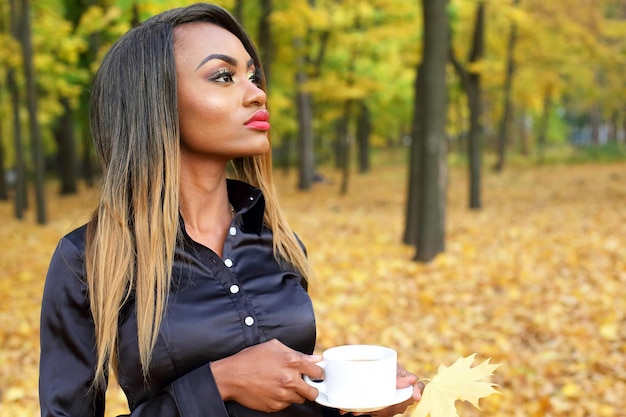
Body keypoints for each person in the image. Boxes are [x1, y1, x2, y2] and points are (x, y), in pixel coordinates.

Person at [39, 3, 423, 416]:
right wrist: (220, 383)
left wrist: (360, 404)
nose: (257, 92)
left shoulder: (279, 241)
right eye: (224, 76)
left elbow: (293, 397)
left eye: (253, 75)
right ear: (155, 103)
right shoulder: (90, 258)